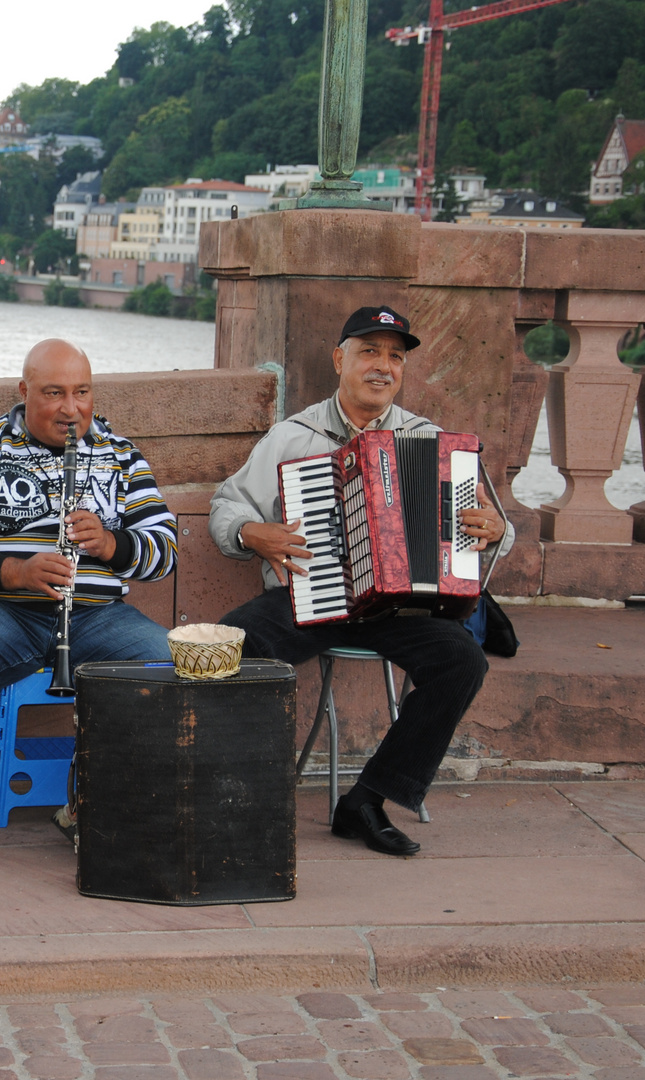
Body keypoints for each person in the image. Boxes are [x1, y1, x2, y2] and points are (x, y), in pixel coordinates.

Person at [209, 305, 512, 858]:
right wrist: (255, 533)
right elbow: (225, 505)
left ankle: (367, 801)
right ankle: (233, 792)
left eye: (395, 356)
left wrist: (493, 530)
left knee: (461, 661)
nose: (383, 366)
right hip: (310, 596)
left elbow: (491, 537)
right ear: (339, 359)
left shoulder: (432, 442)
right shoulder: (292, 436)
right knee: (230, 646)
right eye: (370, 351)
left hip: (402, 608)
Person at [0, 338, 179, 859]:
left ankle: (91, 795)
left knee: (173, 660)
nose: (71, 408)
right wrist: (18, 571)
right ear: (24, 391)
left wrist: (110, 543)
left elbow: (165, 552)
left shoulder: (120, 455)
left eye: (82, 393)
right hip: (4, 611)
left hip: (99, 615)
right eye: (54, 393)